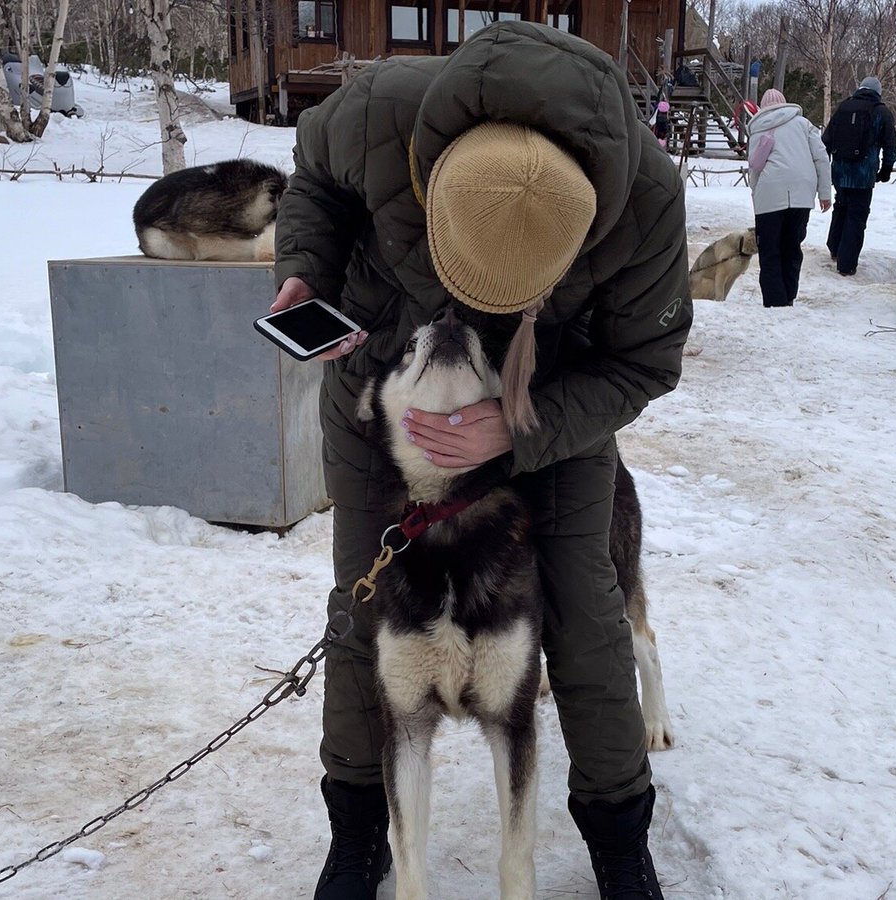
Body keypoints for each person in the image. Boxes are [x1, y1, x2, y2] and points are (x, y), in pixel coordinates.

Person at [270, 21, 691, 900]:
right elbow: (311, 177)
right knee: (362, 613)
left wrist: (518, 428)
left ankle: (620, 838)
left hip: (553, 401)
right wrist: (306, 270)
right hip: (393, 391)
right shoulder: (378, 115)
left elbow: (647, 362)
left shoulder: (648, 203)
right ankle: (357, 837)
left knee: (585, 602)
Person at [745, 88, 832, 307]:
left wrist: (757, 198)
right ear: (785, 103)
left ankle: (775, 302)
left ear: (763, 107)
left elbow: (754, 168)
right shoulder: (804, 125)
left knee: (770, 250)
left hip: (770, 193)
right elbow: (821, 157)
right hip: (802, 193)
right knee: (792, 246)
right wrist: (824, 192)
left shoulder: (759, 128)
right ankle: (789, 296)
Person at [822, 76, 896, 276]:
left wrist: (825, 166)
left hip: (839, 171)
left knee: (841, 208)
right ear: (877, 92)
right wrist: (886, 170)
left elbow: (826, 140)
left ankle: (834, 248)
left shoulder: (843, 107)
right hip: (863, 175)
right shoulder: (881, 111)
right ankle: (846, 264)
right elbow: (891, 144)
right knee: (856, 217)